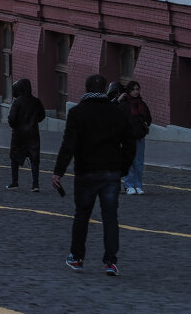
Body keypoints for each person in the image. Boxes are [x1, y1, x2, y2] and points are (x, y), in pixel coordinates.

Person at [51, 74, 136, 276]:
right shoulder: (116, 113)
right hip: (111, 172)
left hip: (85, 172)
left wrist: (58, 171)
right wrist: (122, 168)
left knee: (82, 216)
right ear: (105, 88)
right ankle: (110, 262)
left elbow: (68, 144)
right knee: (110, 217)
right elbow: (130, 143)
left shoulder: (77, 113)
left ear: (86, 88)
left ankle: (77, 258)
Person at [6, 78, 46, 191]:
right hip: (33, 133)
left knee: (14, 157)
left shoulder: (17, 102)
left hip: (19, 134)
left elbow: (11, 118)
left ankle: (14, 182)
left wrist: (15, 126)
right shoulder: (36, 101)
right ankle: (35, 185)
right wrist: (34, 122)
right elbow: (42, 115)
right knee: (34, 159)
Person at [120, 81, 152, 195]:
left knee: (138, 163)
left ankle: (138, 185)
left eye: (137, 89)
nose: (135, 91)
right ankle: (129, 186)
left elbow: (148, 118)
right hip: (127, 139)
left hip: (139, 137)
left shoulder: (142, 104)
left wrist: (145, 126)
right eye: (133, 89)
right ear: (129, 91)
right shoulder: (123, 105)